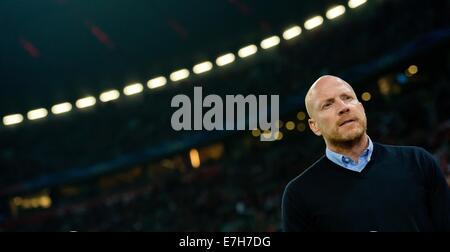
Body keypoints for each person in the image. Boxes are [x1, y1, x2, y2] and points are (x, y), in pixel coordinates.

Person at [281, 75, 450, 232]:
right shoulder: (299, 195)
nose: (343, 107)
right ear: (314, 126)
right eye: (328, 104)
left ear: (361, 107)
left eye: (347, 98)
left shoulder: (417, 161)